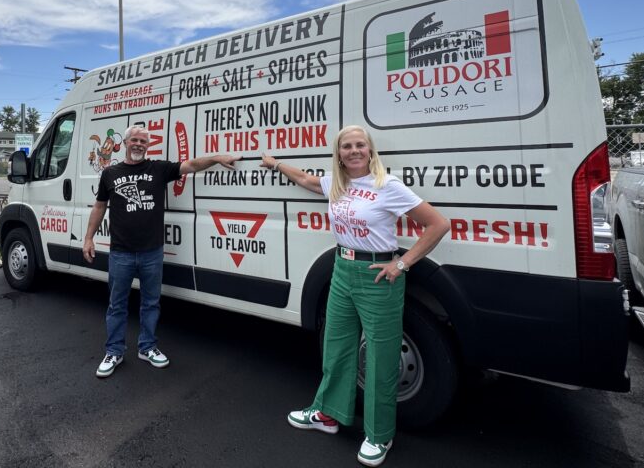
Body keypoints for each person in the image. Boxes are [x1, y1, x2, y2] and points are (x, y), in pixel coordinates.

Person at [261, 125, 449, 467]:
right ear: (339, 154)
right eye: (346, 146)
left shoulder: (387, 186)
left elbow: (437, 224)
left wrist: (402, 263)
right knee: (337, 346)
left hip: (378, 275)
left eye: (360, 145)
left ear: (370, 150)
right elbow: (304, 179)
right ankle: (328, 415)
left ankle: (380, 435)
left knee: (380, 357)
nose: (354, 151)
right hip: (342, 269)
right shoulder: (337, 184)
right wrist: (276, 165)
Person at [83, 125, 240, 378]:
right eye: (134, 140)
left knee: (151, 302)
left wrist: (217, 158)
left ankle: (147, 347)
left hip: (151, 252)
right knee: (117, 305)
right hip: (120, 252)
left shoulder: (158, 169)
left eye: (143, 141)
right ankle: (114, 351)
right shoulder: (110, 173)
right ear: (125, 143)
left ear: (148, 145)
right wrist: (88, 238)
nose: (138, 144)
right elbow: (99, 206)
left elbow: (191, 165)